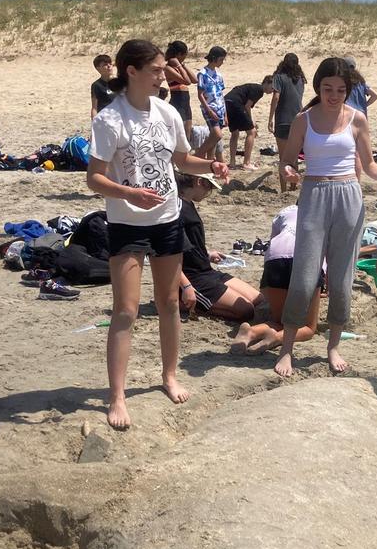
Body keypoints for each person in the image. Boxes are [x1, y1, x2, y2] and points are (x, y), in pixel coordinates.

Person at [87, 39, 230, 430]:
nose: (163, 75)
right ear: (131, 72)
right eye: (155, 70)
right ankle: (116, 395)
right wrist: (130, 192)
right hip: (127, 223)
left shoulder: (166, 112)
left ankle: (169, 375)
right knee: (126, 310)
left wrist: (211, 167)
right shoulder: (109, 120)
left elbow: (182, 160)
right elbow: (94, 178)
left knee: (169, 303)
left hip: (168, 218)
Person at [276, 57, 377, 377]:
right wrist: (290, 172)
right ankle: (287, 347)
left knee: (342, 280)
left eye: (340, 90)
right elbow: (287, 161)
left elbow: (370, 164)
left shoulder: (357, 119)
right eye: (327, 88)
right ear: (318, 87)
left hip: (349, 196)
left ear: (349, 91)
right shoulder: (304, 120)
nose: (333, 95)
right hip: (314, 195)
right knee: (304, 278)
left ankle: (333, 347)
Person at [230, 204, 322, 355]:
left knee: (279, 321)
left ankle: (251, 332)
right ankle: (278, 338)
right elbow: (329, 257)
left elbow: (273, 240)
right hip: (306, 258)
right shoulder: (323, 213)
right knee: (309, 328)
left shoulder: (286, 211)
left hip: (275, 256)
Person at [178, 171, 263, 321]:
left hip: (205, 271)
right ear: (199, 182)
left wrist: (207, 254)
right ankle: (185, 303)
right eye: (209, 187)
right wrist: (185, 286)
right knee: (246, 310)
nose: (208, 193)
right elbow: (168, 255)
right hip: (192, 278)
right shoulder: (176, 209)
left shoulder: (188, 203)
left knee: (258, 300)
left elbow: (189, 244)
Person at [268, 53, 307, 192]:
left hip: (283, 120)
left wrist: (270, 118)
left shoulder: (279, 77)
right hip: (298, 120)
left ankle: (284, 189)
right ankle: (293, 186)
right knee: (294, 157)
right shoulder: (301, 79)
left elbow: (276, 97)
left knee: (283, 158)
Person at [225, 77, 274, 170]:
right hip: (236, 103)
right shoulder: (259, 90)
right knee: (251, 132)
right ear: (267, 83)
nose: (272, 91)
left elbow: (247, 107)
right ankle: (246, 163)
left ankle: (232, 163)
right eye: (272, 88)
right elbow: (247, 106)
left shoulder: (252, 87)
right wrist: (252, 123)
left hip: (227, 103)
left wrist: (251, 121)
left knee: (235, 133)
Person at [196, 46, 228, 159]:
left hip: (220, 109)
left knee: (213, 140)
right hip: (210, 108)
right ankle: (198, 155)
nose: (222, 62)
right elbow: (200, 95)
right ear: (214, 58)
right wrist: (209, 110)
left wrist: (225, 115)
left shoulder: (219, 75)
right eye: (221, 60)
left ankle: (208, 165)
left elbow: (221, 95)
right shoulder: (203, 74)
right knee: (217, 135)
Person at [164, 40, 196, 127]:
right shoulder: (168, 68)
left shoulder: (180, 67)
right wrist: (179, 66)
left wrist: (183, 65)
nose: (185, 57)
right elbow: (187, 81)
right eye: (185, 54)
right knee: (180, 131)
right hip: (177, 100)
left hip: (185, 102)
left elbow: (194, 80)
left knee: (187, 133)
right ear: (179, 54)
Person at [91, 54, 117, 118]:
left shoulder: (119, 82)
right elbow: (94, 108)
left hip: (120, 118)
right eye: (105, 64)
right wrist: (94, 123)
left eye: (110, 64)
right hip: (105, 119)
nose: (109, 66)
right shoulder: (97, 85)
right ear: (98, 68)